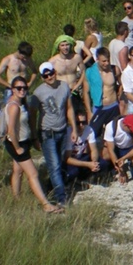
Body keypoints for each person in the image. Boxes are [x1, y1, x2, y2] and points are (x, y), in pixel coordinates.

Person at [2, 76, 62, 214]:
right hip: (16, 143)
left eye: (24, 88)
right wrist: (17, 148)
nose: (22, 90)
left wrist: (33, 139)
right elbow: (11, 130)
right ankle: (46, 204)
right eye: (19, 88)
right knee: (33, 173)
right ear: (13, 90)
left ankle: (16, 199)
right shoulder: (14, 106)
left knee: (18, 171)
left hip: (23, 141)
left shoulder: (21, 103)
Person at [32, 62, 77, 207]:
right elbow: (33, 115)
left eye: (51, 73)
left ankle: (53, 187)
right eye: (45, 76)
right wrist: (35, 136)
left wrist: (74, 128)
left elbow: (69, 108)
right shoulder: (38, 93)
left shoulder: (64, 86)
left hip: (62, 130)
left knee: (61, 162)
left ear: (55, 72)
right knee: (54, 165)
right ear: (42, 77)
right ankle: (61, 199)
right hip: (47, 132)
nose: (49, 77)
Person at [83, 47, 122, 142]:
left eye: (108, 60)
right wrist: (89, 111)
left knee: (114, 134)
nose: (106, 63)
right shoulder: (90, 72)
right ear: (97, 59)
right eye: (103, 61)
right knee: (93, 134)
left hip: (113, 106)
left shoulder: (114, 69)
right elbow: (86, 92)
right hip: (99, 107)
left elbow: (122, 84)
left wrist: (119, 97)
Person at [64, 112, 106, 187]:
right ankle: (74, 182)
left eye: (84, 122)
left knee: (102, 163)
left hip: (82, 157)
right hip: (71, 161)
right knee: (72, 173)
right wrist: (88, 164)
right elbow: (67, 158)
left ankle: (87, 178)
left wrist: (94, 162)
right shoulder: (68, 133)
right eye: (78, 123)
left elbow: (94, 150)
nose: (81, 125)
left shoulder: (89, 130)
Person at [103, 113, 133, 184]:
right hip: (117, 148)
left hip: (131, 148)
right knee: (105, 154)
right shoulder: (111, 126)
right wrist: (120, 170)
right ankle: (113, 168)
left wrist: (124, 158)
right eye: (131, 129)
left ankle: (132, 165)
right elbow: (111, 150)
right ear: (125, 125)